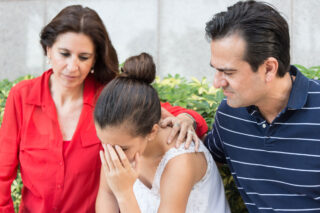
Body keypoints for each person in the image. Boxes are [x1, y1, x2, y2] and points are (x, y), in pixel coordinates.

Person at [0, 5, 207, 212]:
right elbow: (2, 174)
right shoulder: (21, 96)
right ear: (48, 49)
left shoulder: (108, 97)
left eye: (83, 57)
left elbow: (152, 111)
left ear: (94, 59)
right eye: (64, 54)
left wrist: (188, 118)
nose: (72, 67)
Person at [204, 1, 320, 212]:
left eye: (228, 73)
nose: (217, 82)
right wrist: (186, 118)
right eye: (216, 70)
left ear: (268, 68)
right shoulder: (230, 115)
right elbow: (201, 158)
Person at [94, 52, 230, 213]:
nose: (114, 155)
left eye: (123, 149)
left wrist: (124, 193)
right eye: (106, 144)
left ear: (152, 132)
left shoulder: (180, 160)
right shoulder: (119, 142)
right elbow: (106, 194)